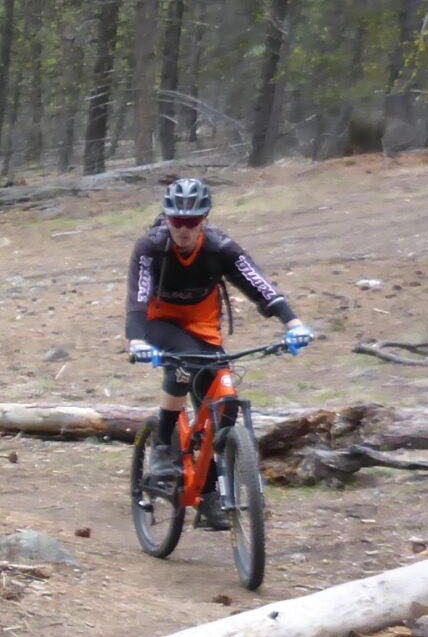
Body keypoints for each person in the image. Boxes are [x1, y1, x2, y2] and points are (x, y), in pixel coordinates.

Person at [124, 175, 313, 489]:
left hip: (203, 328)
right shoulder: (151, 247)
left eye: (193, 221)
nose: (184, 229)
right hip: (158, 324)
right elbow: (137, 299)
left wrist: (293, 324)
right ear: (167, 219)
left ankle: (210, 495)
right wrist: (136, 340)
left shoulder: (219, 247)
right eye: (177, 221)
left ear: (205, 220)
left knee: (222, 408)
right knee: (186, 361)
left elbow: (259, 286)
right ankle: (162, 449)